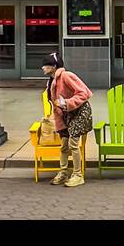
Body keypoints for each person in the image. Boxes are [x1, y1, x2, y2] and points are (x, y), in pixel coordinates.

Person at [42, 53, 93, 187]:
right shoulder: (51, 81)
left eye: (45, 65)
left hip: (80, 112)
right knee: (64, 144)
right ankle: (63, 172)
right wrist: (60, 125)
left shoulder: (66, 76)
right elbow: (55, 105)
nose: (42, 67)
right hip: (66, 114)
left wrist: (68, 102)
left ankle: (78, 175)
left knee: (73, 144)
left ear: (53, 66)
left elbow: (84, 93)